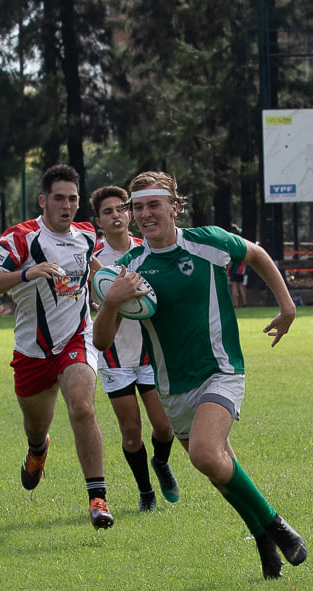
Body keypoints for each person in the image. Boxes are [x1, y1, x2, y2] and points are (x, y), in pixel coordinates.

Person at [93, 170, 307, 579]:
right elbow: (102, 341)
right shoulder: (128, 268)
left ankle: (277, 526)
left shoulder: (207, 242)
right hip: (172, 388)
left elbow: (257, 254)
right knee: (219, 469)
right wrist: (111, 302)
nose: (145, 214)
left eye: (154, 205)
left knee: (205, 455)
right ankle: (264, 543)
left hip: (220, 371)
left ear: (174, 207)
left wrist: (287, 306)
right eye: (138, 207)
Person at [0, 164, 114, 530]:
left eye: (73, 199)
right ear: (43, 200)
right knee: (36, 427)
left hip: (77, 340)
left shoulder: (86, 235)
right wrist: (26, 273)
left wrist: (109, 288)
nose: (67, 206)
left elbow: (92, 268)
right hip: (32, 352)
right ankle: (38, 450)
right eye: (59, 198)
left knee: (82, 406)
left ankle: (97, 498)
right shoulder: (20, 238)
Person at [90, 184, 180, 512]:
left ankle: (161, 462)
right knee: (131, 431)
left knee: (165, 426)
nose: (116, 216)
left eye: (120, 209)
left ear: (129, 214)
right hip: (114, 353)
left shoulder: (147, 250)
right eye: (107, 212)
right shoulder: (91, 259)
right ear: (99, 221)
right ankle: (146, 493)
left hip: (149, 350)